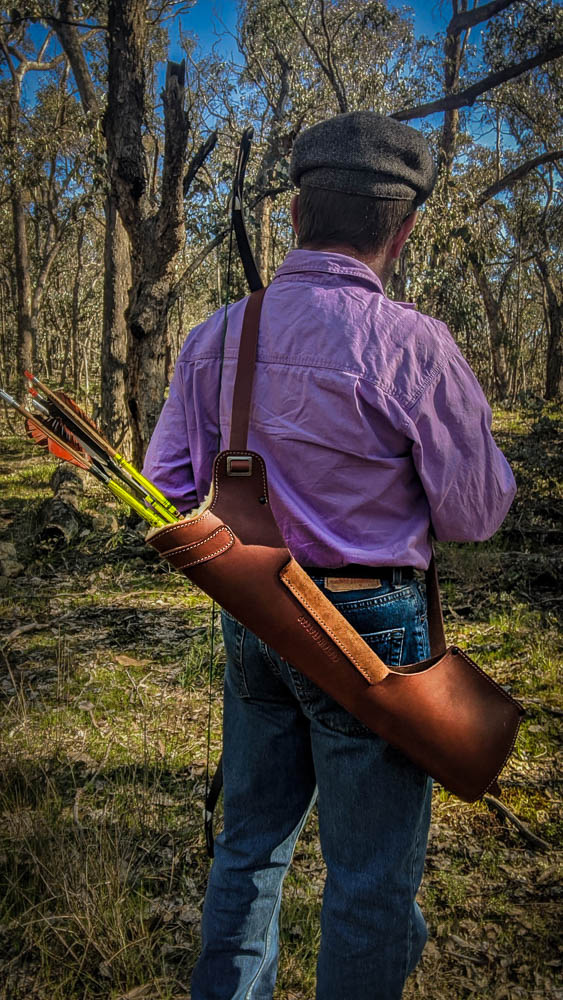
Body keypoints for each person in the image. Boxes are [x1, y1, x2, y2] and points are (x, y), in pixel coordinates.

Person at [143, 111, 516, 1000]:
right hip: (373, 629)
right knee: (370, 880)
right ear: (403, 229)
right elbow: (471, 516)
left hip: (256, 618)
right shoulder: (414, 346)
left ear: (296, 214)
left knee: (249, 846)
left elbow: (167, 482)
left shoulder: (216, 335)